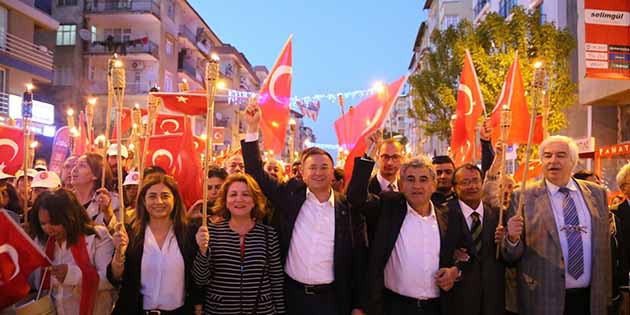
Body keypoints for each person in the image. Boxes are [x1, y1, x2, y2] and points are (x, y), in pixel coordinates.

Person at [242, 102, 367, 315]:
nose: (318, 173)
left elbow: (358, 259)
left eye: (324, 167)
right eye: (313, 168)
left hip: (332, 300)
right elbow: (255, 172)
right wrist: (253, 128)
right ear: (302, 172)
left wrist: (358, 305)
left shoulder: (346, 209)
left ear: (332, 173)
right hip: (291, 296)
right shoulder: (290, 195)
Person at [348, 155, 471, 315]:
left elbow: (470, 255)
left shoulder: (451, 216)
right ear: (401, 185)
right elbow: (355, 198)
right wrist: (367, 158)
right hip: (394, 306)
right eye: (410, 179)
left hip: (437, 307)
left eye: (423, 179)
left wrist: (455, 271)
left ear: (433, 185)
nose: (417, 185)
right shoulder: (388, 209)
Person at [501, 135, 611, 315]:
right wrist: (512, 238)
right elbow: (510, 256)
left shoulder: (597, 194)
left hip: (591, 300)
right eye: (547, 155)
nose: (553, 161)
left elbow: (604, 248)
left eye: (560, 155)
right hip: (543, 299)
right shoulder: (522, 196)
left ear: (573, 161)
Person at [107, 173, 201, 314]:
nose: (158, 201)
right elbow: (114, 277)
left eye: (165, 196)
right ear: (143, 201)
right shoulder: (130, 233)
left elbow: (198, 278)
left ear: (175, 200)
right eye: (152, 196)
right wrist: (119, 256)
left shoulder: (190, 234)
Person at [193, 173, 285, 314]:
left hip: (261, 310)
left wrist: (280, 311)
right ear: (225, 200)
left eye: (246, 194)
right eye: (233, 194)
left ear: (254, 200)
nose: (239, 199)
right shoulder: (212, 232)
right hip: (221, 310)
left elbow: (276, 281)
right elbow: (200, 280)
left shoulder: (268, 234)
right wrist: (203, 251)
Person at [29, 189, 115, 315]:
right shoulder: (42, 241)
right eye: (43, 223)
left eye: (54, 222)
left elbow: (109, 280)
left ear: (70, 217)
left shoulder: (97, 237)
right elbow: (35, 283)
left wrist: (72, 275)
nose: (48, 228)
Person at [447, 163, 506, 315]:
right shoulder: (443, 215)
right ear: (454, 187)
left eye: (475, 180)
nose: (472, 186)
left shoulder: (498, 216)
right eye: (465, 182)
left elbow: (510, 256)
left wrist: (509, 240)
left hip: (493, 300)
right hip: (458, 301)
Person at [71, 153, 120, 230]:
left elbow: (118, 233)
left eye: (82, 166)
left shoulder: (112, 201)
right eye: (75, 164)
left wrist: (108, 213)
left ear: (95, 174)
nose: (74, 169)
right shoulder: (66, 199)